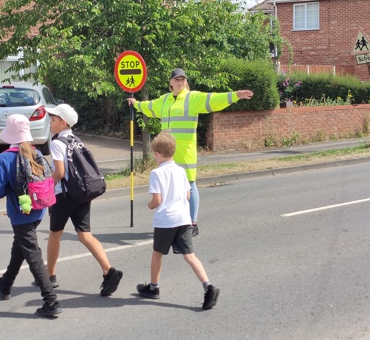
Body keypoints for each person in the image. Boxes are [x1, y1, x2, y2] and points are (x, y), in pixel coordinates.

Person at [128, 68, 253, 235]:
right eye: (177, 80)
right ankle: (175, 221)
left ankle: (192, 223)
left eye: (183, 80)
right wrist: (135, 103)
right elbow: (148, 106)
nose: (180, 82)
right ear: (171, 82)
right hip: (167, 153)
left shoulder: (192, 98)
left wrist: (235, 95)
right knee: (169, 187)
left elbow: (214, 99)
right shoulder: (164, 100)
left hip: (185, 153)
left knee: (190, 186)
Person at [44, 103, 123, 296]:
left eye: (53, 120)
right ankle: (108, 271)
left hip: (63, 196)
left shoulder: (56, 143)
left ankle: (50, 276)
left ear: (63, 122)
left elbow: (60, 172)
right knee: (85, 235)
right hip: (82, 193)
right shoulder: (78, 141)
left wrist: (46, 183)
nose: (50, 123)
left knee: (55, 233)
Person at [136, 132, 220, 310]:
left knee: (157, 254)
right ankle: (208, 286)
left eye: (154, 154)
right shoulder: (181, 171)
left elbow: (157, 200)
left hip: (165, 220)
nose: (154, 157)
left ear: (158, 153)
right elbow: (188, 195)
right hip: (183, 219)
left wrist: (150, 205)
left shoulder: (156, 173)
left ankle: (154, 287)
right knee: (189, 255)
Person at [0, 114, 62, 318]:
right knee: (20, 246)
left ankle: (51, 301)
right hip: (39, 209)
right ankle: (5, 285)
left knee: (33, 255)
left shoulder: (4, 158)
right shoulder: (36, 153)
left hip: (21, 213)